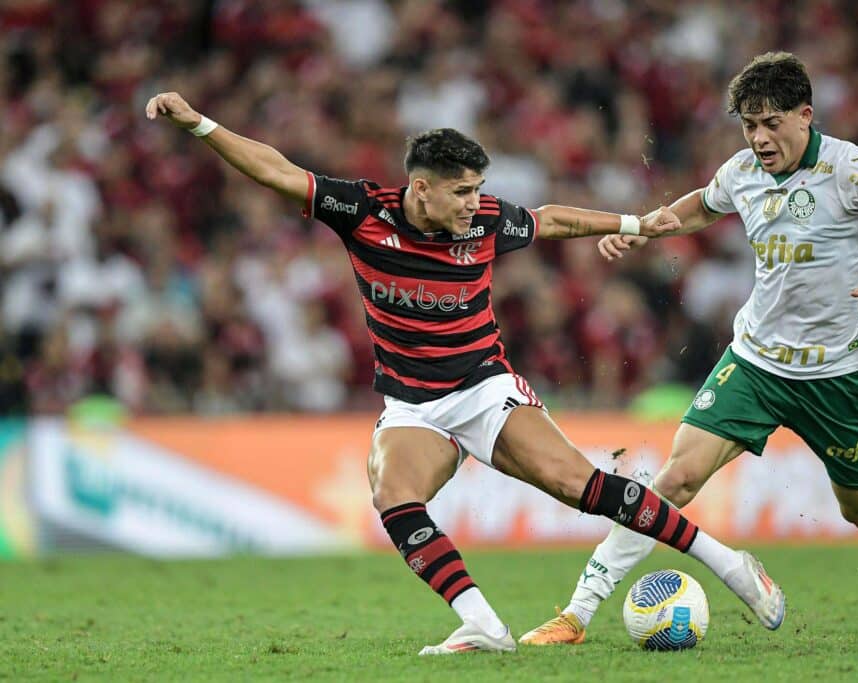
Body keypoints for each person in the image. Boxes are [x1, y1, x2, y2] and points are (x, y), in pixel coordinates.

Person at [145, 92, 786, 655]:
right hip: (413, 406)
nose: (475, 203)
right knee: (392, 496)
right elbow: (276, 172)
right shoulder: (364, 213)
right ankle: (482, 625)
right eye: (461, 191)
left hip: (484, 389)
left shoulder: (483, 223)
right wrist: (200, 123)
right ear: (420, 188)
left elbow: (554, 218)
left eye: (479, 188)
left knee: (580, 486)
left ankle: (731, 566)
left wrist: (632, 225)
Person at [519, 51, 858, 646]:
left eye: (771, 123)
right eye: (748, 124)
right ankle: (577, 615)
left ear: (805, 115)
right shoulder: (743, 172)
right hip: (755, 362)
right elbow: (700, 206)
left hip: (837, 372)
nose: (759, 137)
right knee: (676, 479)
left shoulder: (854, 171)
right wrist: (639, 229)